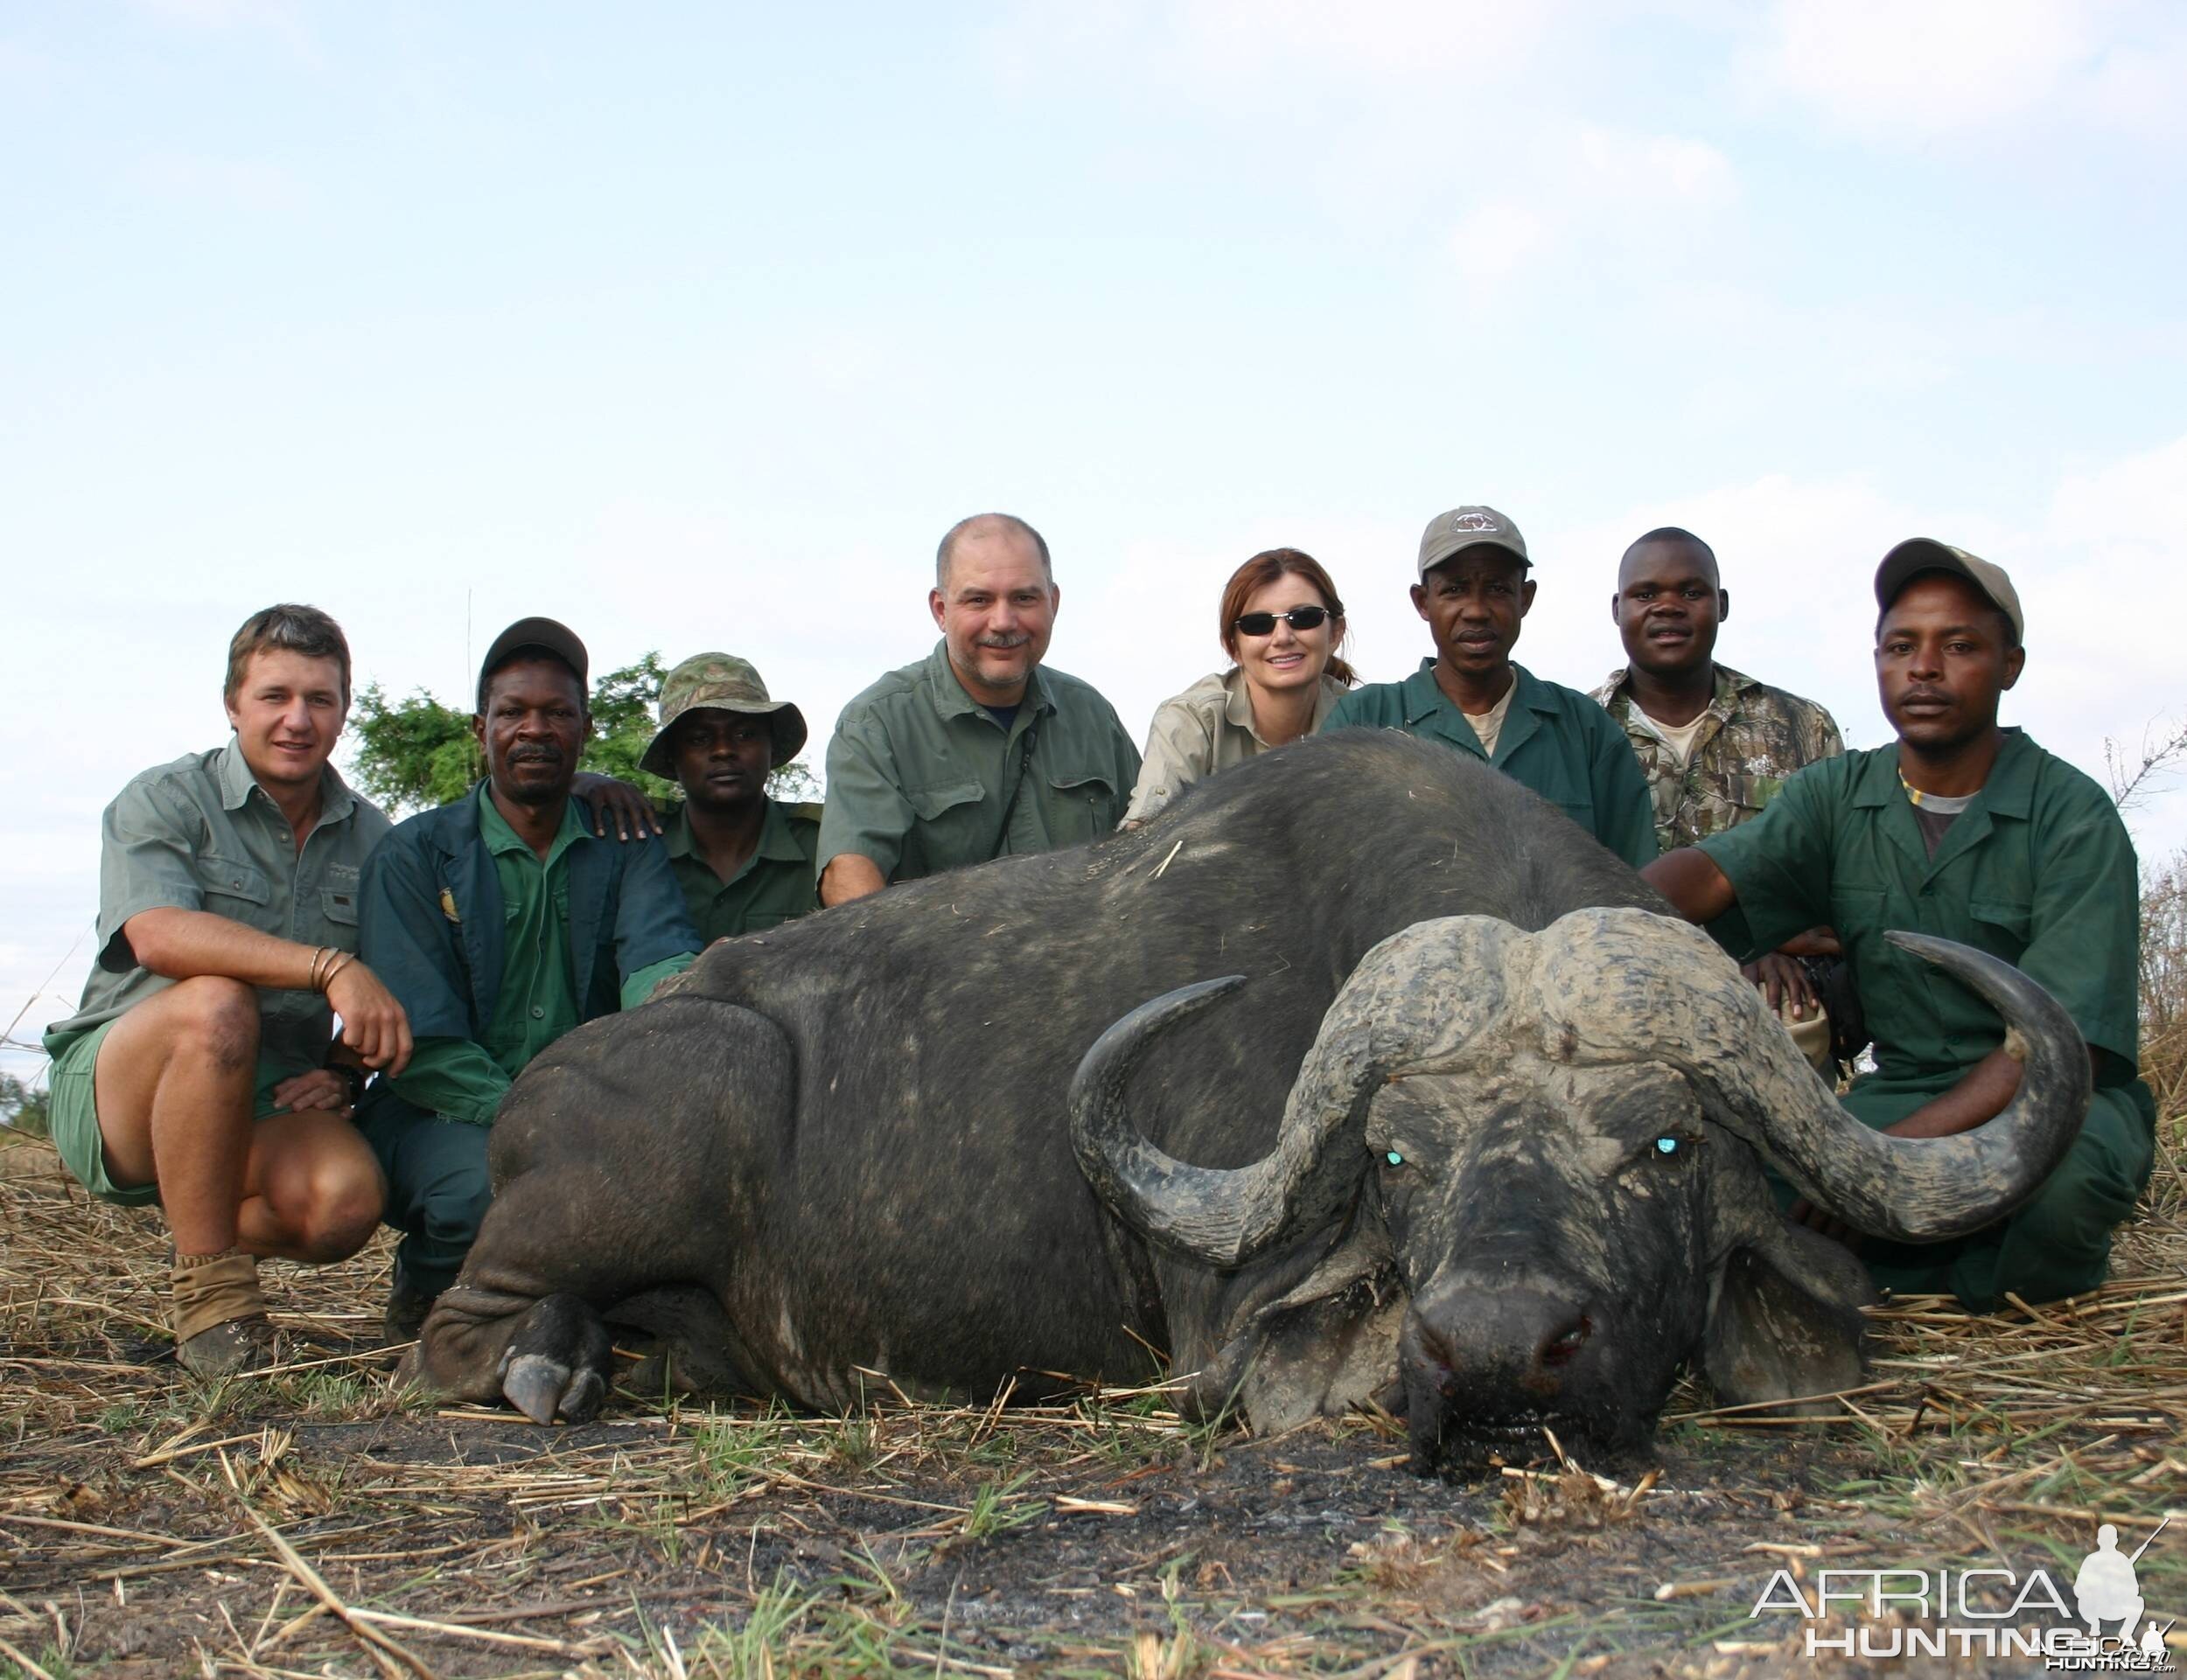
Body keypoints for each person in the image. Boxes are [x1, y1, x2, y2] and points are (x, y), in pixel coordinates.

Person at [1645, 542, 2156, 1307]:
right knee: (1729, 1189)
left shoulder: (2073, 816)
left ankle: (1973, 1282)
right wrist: (1602, 912)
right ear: (1877, 660)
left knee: (2057, 1195)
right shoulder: (1837, 793)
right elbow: (1712, 875)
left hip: (2057, 1098)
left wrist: (1883, 1158)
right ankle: (1919, 1260)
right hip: (1905, 1087)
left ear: (2010, 664)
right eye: (1901, 646)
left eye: (1959, 646)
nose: (1924, 668)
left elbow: (2059, 1047)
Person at [41, 605, 411, 1377]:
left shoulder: (375, 838)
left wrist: (345, 1071)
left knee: (344, 1203)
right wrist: (327, 966)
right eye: (275, 695)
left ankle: (198, 1224)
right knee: (216, 1004)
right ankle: (213, 1301)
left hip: (264, 1102)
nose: (297, 719)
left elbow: (400, 978)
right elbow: (156, 934)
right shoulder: (166, 798)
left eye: (321, 699)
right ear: (233, 703)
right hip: (122, 1090)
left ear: (345, 711)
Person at [354, 617, 702, 1339]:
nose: (534, 729)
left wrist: (683, 1010)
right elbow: (424, 1046)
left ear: (586, 728)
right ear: (481, 728)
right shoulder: (413, 854)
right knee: (492, 1198)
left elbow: (657, 963)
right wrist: (548, 1121)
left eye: (557, 713)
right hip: (441, 1107)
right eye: (514, 712)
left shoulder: (627, 844)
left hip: (591, 1109)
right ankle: (425, 1294)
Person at [1592, 526, 1848, 1064]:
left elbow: (1837, 878)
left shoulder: (1800, 725)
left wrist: (1769, 943)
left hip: (1768, 1014)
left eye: (1691, 592)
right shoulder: (1579, 728)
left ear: (1721, 604)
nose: (1668, 608)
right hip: (1618, 1004)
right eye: (1645, 594)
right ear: (1617, 609)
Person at [818, 512, 1140, 904]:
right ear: (940, 610)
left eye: (1024, 598)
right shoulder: (875, 723)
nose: (1003, 622)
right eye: (978, 600)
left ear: (1053, 603)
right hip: (938, 963)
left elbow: (1149, 851)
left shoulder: (1093, 715)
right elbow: (849, 877)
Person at [1322, 505, 1656, 868]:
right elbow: (1321, 870)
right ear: (1423, 602)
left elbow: (1636, 883)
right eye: (1455, 590)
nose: (1476, 610)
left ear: (1524, 598)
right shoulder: (1364, 721)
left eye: (1497, 589)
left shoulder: (1585, 730)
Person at [1122, 547, 1356, 825]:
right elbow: (1144, 835)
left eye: (1304, 618)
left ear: (1335, 633)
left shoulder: (1363, 718)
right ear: (1233, 646)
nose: (1282, 637)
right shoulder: (1192, 720)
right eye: (1258, 625)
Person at [639, 652, 822, 941]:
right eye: (699, 738)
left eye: (745, 734)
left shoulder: (822, 845)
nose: (723, 750)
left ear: (771, 746)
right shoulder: (640, 843)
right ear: (673, 756)